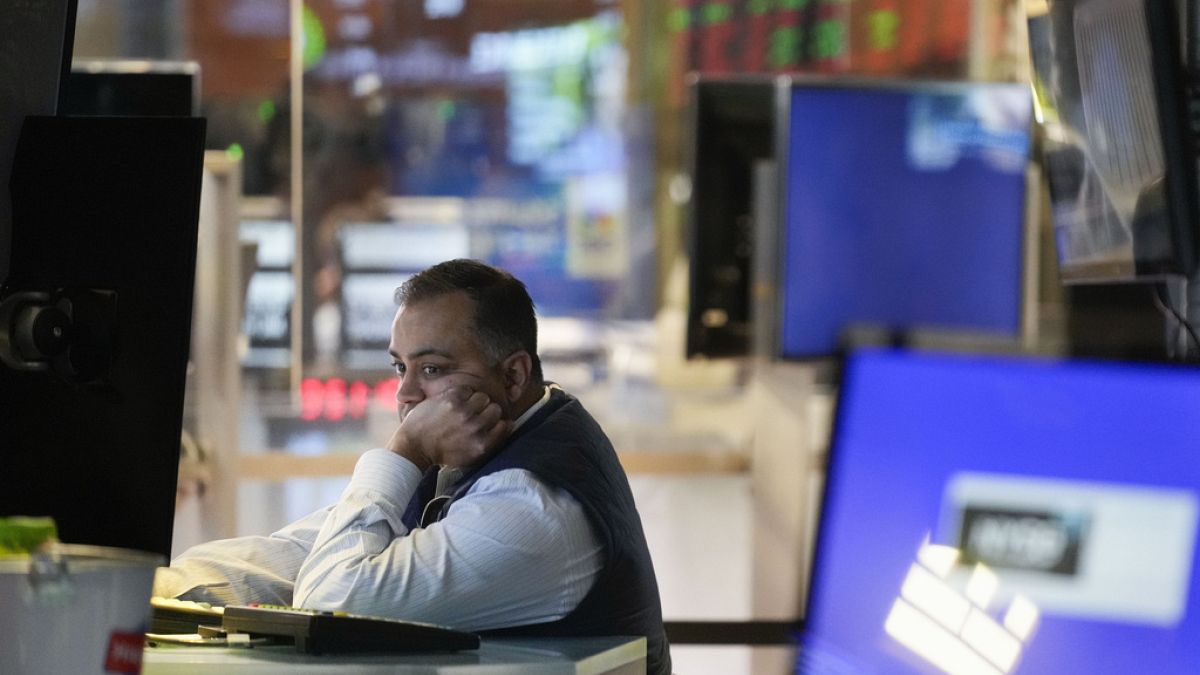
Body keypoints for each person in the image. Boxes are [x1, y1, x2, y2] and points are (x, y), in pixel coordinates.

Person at [155, 258, 671, 675]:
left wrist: (403, 451)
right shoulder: (488, 446)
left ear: (513, 377)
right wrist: (156, 590)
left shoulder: (533, 506)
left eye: (432, 369)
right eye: (401, 367)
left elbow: (331, 596)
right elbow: (303, 556)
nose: (405, 395)